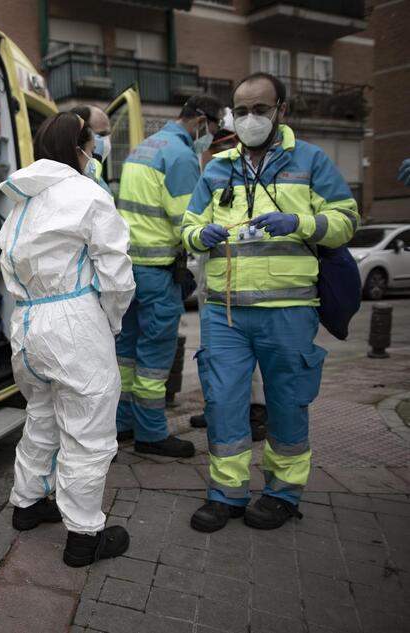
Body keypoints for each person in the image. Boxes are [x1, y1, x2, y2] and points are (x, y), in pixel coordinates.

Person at [182, 73, 358, 532]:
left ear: (281, 111)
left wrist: (300, 222)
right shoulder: (217, 166)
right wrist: (200, 235)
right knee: (222, 403)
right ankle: (226, 494)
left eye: (260, 109)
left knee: (286, 404)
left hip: (289, 310)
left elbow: (346, 220)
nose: (250, 119)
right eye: (241, 111)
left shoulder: (312, 161)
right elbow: (187, 227)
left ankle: (282, 494)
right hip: (226, 312)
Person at [0, 112, 135, 567]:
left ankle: (28, 504)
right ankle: (84, 537)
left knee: (41, 417)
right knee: (86, 431)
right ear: (81, 147)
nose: (97, 149)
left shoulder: (21, 203)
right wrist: (110, 322)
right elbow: (116, 274)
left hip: (28, 325)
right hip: (75, 322)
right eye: (93, 141)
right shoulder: (88, 194)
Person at [114, 94, 223, 457]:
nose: (209, 139)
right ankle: (151, 433)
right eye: (213, 130)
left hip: (128, 269)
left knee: (126, 352)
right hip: (159, 270)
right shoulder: (180, 157)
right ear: (202, 122)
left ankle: (122, 425)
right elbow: (187, 223)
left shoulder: (141, 149)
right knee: (154, 356)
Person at [189, 124, 268, 442]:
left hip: (245, 282)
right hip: (214, 281)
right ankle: (218, 409)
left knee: (248, 357)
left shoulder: (256, 180)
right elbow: (192, 222)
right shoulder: (211, 177)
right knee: (214, 354)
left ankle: (257, 412)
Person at [70, 104, 113, 194]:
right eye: (101, 135)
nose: (106, 140)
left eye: (108, 134)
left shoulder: (97, 178)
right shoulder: (72, 180)